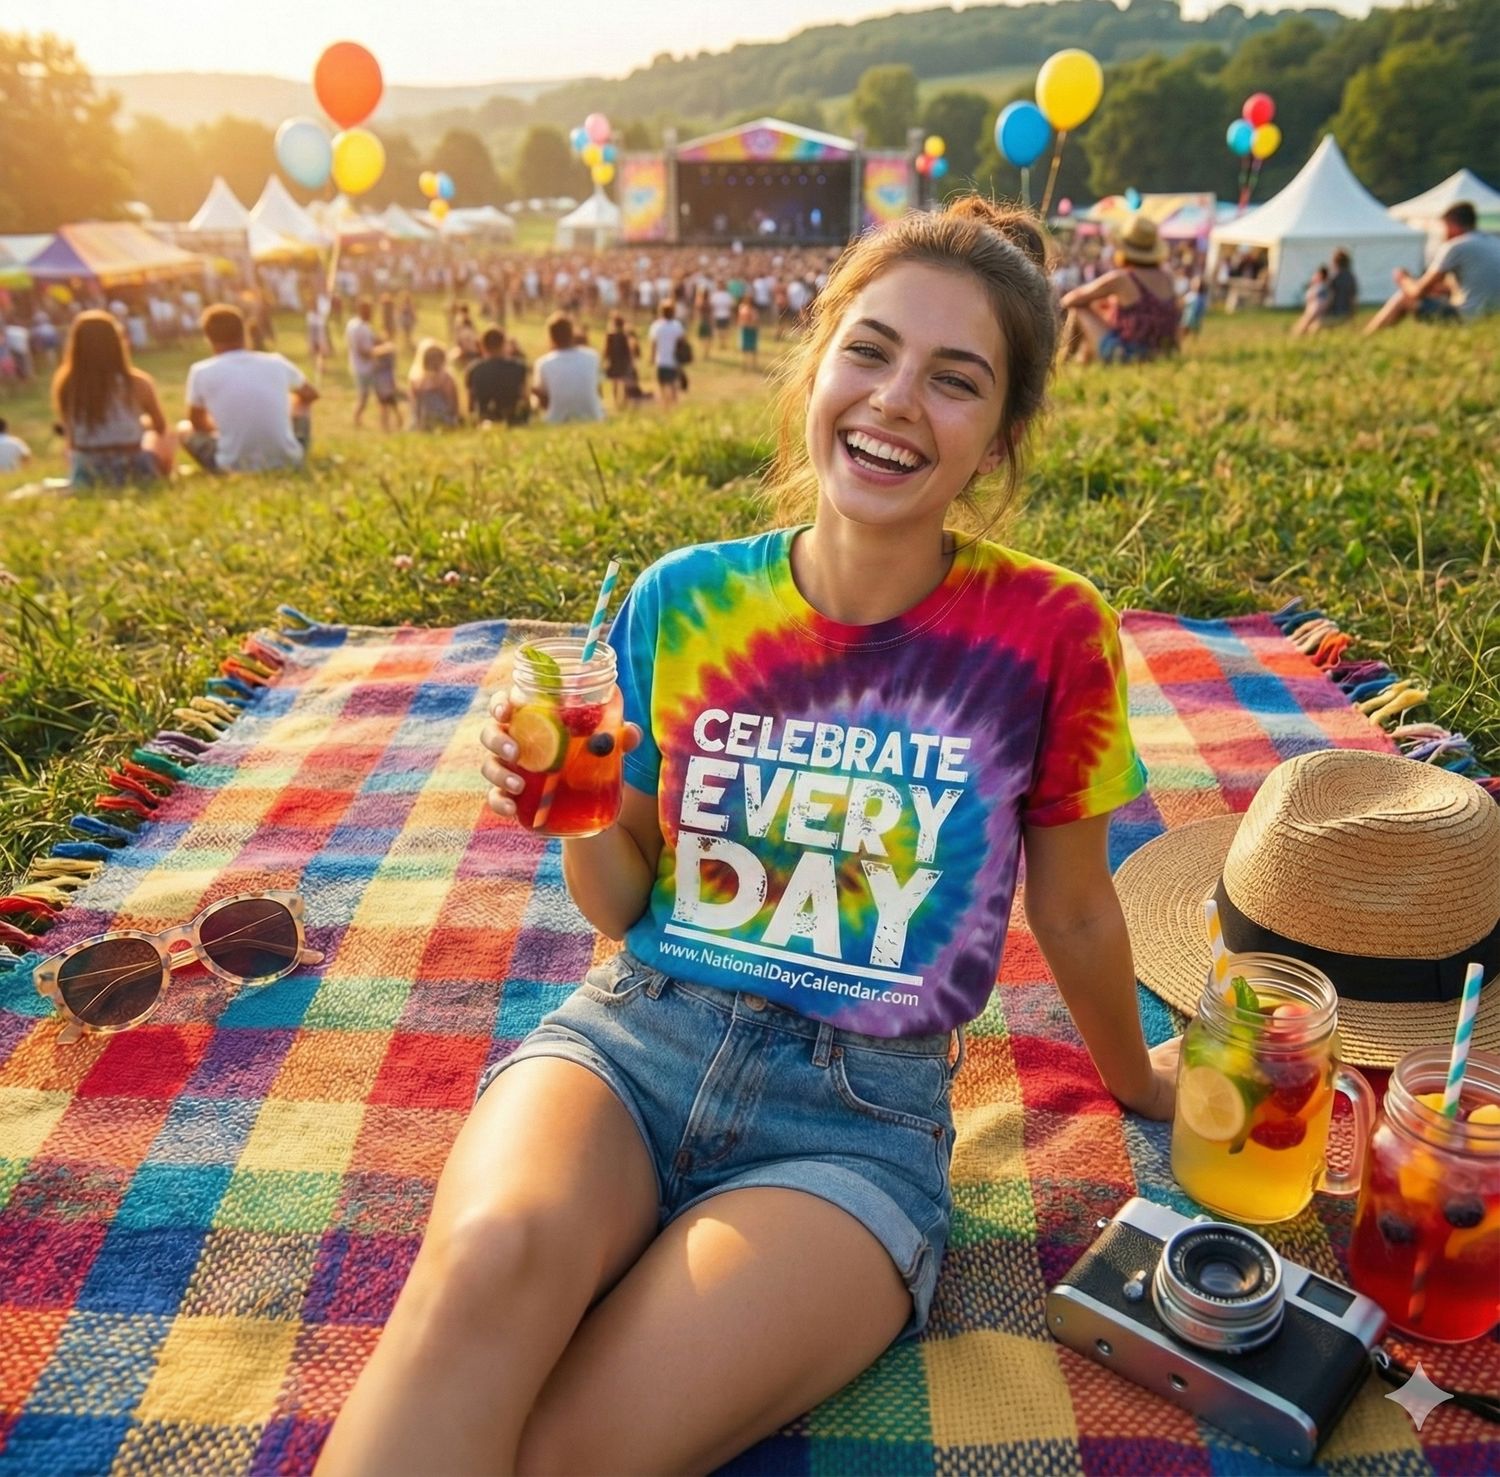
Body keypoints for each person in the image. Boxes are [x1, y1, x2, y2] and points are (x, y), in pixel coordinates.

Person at [317, 194, 1177, 1477]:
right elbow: (620, 904)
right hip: (632, 1037)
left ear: (998, 438)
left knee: (570, 1451)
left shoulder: (1050, 632)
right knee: (481, 1278)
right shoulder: (683, 597)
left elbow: (1075, 908)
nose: (896, 400)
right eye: (871, 350)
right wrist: (587, 798)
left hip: (855, 1121)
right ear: (819, 361)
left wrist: (1139, 1080)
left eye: (957, 379)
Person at [179, 304, 319, 473]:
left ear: (208, 337)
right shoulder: (276, 361)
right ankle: (287, 444)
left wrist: (220, 429)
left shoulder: (201, 371)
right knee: (302, 403)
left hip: (231, 465)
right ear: (244, 331)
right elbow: (310, 394)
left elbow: (196, 423)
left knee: (183, 428)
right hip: (290, 460)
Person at [52, 310, 175, 488]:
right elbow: (160, 427)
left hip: (87, 471)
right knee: (166, 436)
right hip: (133, 467)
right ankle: (168, 475)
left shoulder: (66, 384)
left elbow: (71, 440)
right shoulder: (137, 382)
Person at [1060, 215, 1181, 364]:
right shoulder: (1167, 277)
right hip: (1164, 352)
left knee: (1079, 308)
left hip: (1128, 355)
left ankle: (1065, 361)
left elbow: (1071, 299)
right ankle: (1081, 360)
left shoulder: (1122, 279)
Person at [1365, 202, 1500, 334]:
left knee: (1405, 297)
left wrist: (1403, 279)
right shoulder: (1494, 242)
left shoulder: (1456, 246)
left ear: (1452, 224)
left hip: (1468, 318)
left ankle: (1369, 338)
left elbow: (1417, 292)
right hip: (1493, 319)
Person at [531, 312, 604, 424]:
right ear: (572, 333)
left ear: (550, 336)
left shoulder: (543, 363)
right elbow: (598, 391)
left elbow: (542, 400)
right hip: (593, 417)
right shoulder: (592, 357)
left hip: (556, 420)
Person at [466, 328, 529, 425]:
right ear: (504, 344)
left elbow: (471, 405)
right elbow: (525, 398)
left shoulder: (473, 370)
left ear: (482, 346)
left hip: (484, 419)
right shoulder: (519, 368)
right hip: (512, 418)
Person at [346, 299, 390, 429]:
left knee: (381, 397)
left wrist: (381, 340)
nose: (372, 314)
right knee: (364, 398)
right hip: (363, 368)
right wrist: (385, 349)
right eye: (370, 311)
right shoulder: (359, 328)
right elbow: (364, 352)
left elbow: (372, 340)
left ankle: (384, 424)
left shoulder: (358, 324)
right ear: (363, 311)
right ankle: (356, 420)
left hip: (365, 367)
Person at [409, 338, 461, 429]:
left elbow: (414, 406)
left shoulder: (417, 380)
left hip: (423, 421)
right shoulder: (446, 379)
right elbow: (453, 403)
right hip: (443, 420)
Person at [647, 300, 686, 409]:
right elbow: (682, 341)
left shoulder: (657, 326)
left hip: (661, 360)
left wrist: (651, 357)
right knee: (673, 384)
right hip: (674, 360)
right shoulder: (677, 326)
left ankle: (665, 405)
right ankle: (674, 405)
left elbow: (653, 344)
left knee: (662, 384)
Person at [602, 313, 636, 411]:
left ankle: (615, 400)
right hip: (623, 362)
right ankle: (624, 401)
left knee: (615, 383)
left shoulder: (609, 336)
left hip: (613, 361)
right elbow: (628, 350)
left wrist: (604, 359)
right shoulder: (624, 336)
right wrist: (630, 361)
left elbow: (606, 350)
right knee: (624, 382)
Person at [1291, 264, 1332, 338]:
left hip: (1316, 308)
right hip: (1315, 308)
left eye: (1316, 274)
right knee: (1305, 322)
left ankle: (1297, 336)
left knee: (1305, 322)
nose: (1314, 276)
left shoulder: (1322, 286)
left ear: (1320, 275)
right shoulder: (1321, 285)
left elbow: (1312, 297)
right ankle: (1297, 335)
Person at [1325, 248, 1357, 326]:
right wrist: (1351, 314)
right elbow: (1353, 298)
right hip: (1346, 314)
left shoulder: (1333, 276)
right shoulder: (1351, 277)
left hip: (1334, 313)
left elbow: (1329, 297)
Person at [737, 295, 760, 370]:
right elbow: (740, 318)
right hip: (745, 328)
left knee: (752, 348)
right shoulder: (742, 308)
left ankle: (753, 364)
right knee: (745, 348)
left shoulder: (754, 310)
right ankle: (744, 364)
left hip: (752, 329)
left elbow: (756, 320)